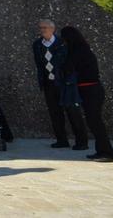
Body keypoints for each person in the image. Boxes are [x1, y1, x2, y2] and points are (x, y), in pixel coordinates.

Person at [59, 27, 113, 162]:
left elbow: (67, 67)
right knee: (94, 122)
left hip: (90, 90)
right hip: (91, 90)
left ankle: (107, 153)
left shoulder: (78, 51)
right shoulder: (83, 49)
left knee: (95, 122)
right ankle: (101, 150)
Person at [31, 19, 88, 150]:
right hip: (49, 84)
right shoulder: (37, 45)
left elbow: (69, 62)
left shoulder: (63, 43)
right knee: (55, 113)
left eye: (45, 27)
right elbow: (39, 64)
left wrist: (68, 78)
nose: (42, 30)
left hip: (64, 83)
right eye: (40, 28)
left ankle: (81, 141)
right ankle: (61, 140)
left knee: (73, 112)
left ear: (52, 29)